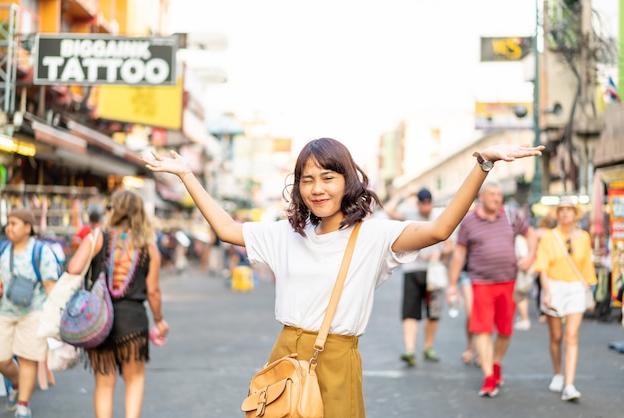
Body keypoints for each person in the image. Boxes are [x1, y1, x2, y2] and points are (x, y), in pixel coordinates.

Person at [144, 138, 543, 417]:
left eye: (328, 177)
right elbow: (227, 229)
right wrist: (185, 175)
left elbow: (439, 230)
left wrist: (482, 166)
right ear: (297, 186)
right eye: (307, 179)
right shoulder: (287, 234)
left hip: (336, 358)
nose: (317, 189)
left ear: (347, 180)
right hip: (285, 353)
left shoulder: (374, 235)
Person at [66, 190, 168, 418]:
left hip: (99, 319)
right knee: (135, 380)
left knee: (104, 384)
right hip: (133, 322)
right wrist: (160, 321)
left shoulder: (97, 236)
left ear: (114, 211)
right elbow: (153, 291)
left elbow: (73, 268)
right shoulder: (149, 248)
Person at [446, 182, 538, 398]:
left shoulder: (511, 216)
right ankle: (489, 376)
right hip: (481, 283)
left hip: (509, 282)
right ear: (481, 196)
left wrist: (531, 255)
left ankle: (495, 363)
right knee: (483, 330)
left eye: (499, 195)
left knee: (505, 331)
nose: (497, 198)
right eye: (493, 194)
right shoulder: (469, 222)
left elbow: (531, 235)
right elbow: (459, 254)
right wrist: (452, 285)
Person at [0, 208, 60, 418]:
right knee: (1, 360)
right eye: (9, 223)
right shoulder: (2, 250)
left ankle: (23, 404)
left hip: (33, 313)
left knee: (28, 359)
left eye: (14, 223)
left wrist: (58, 314)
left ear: (28, 227)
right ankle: (16, 384)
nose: (9, 228)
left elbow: (51, 285)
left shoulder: (41, 252)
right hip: (3, 312)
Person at [534, 196, 597, 402]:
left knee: (571, 336)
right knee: (556, 336)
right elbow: (542, 266)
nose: (565, 213)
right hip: (554, 286)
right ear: (557, 214)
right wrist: (547, 292)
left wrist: (591, 291)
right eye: (561, 210)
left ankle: (569, 384)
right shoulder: (549, 237)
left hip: (576, 289)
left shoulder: (584, 237)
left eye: (569, 210)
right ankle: (558, 373)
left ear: (575, 214)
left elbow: (587, 265)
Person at [384, 187, 453, 365]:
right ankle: (410, 350)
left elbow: (449, 246)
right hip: (413, 269)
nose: (426, 207)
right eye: (423, 203)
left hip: (434, 272)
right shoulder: (409, 213)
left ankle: (428, 347)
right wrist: (403, 195)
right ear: (418, 203)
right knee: (410, 312)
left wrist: (441, 255)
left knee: (433, 313)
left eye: (429, 203)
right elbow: (387, 210)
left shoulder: (439, 216)